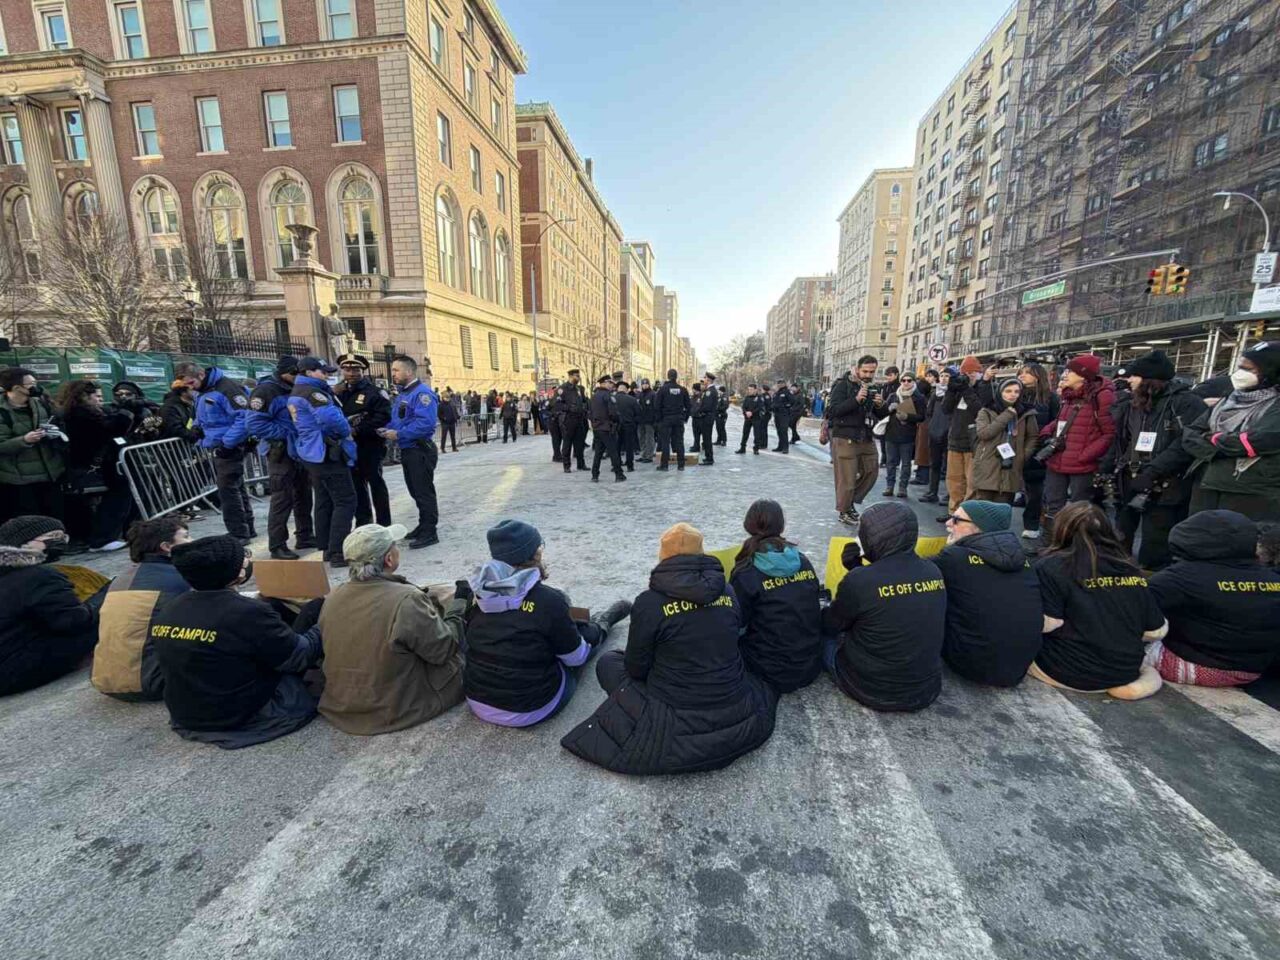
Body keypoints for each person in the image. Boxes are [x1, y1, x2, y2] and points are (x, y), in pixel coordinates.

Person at [561, 523, 778, 775]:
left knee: (608, 662)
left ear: (663, 557)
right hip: (732, 700)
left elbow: (636, 668)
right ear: (702, 554)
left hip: (672, 711)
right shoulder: (728, 591)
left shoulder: (649, 602)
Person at [153, 534, 322, 748]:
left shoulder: (171, 607)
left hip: (188, 712)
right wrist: (325, 618)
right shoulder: (247, 612)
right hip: (239, 714)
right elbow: (299, 657)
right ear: (237, 572)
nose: (247, 561)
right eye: (243, 557)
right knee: (304, 673)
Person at [464, 520, 630, 727]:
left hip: (478, 701)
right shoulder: (549, 599)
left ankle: (583, 623)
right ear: (535, 554)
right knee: (583, 643)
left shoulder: (476, 593)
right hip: (531, 708)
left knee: (547, 626)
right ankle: (602, 623)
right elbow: (575, 659)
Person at [317, 523, 467, 734]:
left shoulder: (334, 596)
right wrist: (459, 607)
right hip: (396, 709)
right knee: (464, 647)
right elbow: (442, 650)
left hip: (342, 705)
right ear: (389, 559)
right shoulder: (406, 599)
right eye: (395, 546)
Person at [1030, 503, 1167, 700]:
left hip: (1066, 671)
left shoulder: (1049, 566)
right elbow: (1155, 630)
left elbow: (1047, 623)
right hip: (1124, 671)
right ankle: (1136, 684)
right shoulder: (1129, 567)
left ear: (1060, 530)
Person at [822, 501, 946, 711]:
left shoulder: (861, 581)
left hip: (871, 689)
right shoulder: (932, 571)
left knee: (819, 639)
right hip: (925, 689)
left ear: (872, 538)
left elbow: (832, 624)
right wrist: (857, 569)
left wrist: (854, 572)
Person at [1146, 511, 1280, 687]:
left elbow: (1130, 609)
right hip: (1254, 669)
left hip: (1198, 666)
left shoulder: (1179, 577)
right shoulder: (1272, 578)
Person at [1100, 350, 1205, 569]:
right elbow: (1121, 440)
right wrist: (1105, 469)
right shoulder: (1133, 404)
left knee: (1155, 540)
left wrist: (1153, 471)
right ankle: (1119, 575)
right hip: (1129, 476)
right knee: (1120, 533)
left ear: (1148, 377)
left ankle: (1152, 584)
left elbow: (1185, 444)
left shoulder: (1186, 403)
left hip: (1166, 483)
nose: (1128, 380)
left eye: (1133, 375)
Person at [935, 501, 1041, 686]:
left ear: (979, 527)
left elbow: (913, 573)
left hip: (969, 665)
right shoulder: (1023, 561)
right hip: (1017, 669)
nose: (948, 523)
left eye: (957, 520)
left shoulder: (953, 558)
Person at [0, 515, 103, 696]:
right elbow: (72, 621)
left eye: (63, 537)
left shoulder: (12, 574)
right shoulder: (37, 575)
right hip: (15, 670)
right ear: (23, 544)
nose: (60, 543)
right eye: (52, 537)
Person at [91, 517, 192, 701]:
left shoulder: (121, 578)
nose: (191, 541)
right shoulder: (181, 577)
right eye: (186, 537)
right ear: (167, 547)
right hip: (154, 681)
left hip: (105, 680)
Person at [728, 500, 822, 693]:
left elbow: (736, 622)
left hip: (768, 670)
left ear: (749, 525)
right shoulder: (803, 561)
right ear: (781, 525)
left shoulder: (746, 571)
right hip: (810, 665)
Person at [1183, 342, 1280, 521]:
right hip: (1206, 483)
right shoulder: (1228, 400)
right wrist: (1220, 446)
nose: (1240, 373)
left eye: (1249, 369)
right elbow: (1191, 435)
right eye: (1240, 367)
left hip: (1249, 491)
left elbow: (1256, 441)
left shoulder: (1274, 405)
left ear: (1270, 371)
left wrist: (1212, 440)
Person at [174, 361, 255, 543]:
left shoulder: (226, 388)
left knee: (228, 491)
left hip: (229, 446)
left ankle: (239, 533)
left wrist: (228, 443)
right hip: (217, 444)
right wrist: (196, 428)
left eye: (191, 383)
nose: (189, 388)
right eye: (186, 385)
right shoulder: (204, 391)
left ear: (200, 375)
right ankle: (246, 528)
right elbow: (202, 416)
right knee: (236, 487)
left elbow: (243, 418)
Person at [1038, 355, 1116, 540]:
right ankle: (1049, 541)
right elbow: (1061, 422)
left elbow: (1109, 433)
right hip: (1057, 458)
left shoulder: (1103, 396)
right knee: (1052, 503)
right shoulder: (1068, 396)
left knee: (1079, 509)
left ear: (1083, 375)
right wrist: (1046, 432)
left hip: (1082, 464)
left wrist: (1085, 455)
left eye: (1070, 371)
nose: (1065, 374)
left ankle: (1075, 544)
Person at [288, 357, 356, 568]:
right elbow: (331, 419)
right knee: (345, 501)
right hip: (326, 451)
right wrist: (346, 430)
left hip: (312, 453)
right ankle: (338, 552)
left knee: (324, 500)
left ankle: (326, 547)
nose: (326, 375)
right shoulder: (313, 393)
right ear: (309, 372)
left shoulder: (297, 391)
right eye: (322, 372)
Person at [57, 380, 135, 552]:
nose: (100, 400)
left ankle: (106, 536)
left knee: (114, 498)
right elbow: (112, 429)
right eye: (96, 396)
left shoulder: (79, 413)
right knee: (116, 498)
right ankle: (103, 538)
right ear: (85, 396)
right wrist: (126, 412)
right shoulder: (82, 415)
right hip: (97, 465)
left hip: (98, 463)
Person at [248, 357, 313, 560]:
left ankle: (304, 535)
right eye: (296, 374)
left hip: (300, 451)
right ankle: (277, 545)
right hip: (280, 451)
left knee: (303, 495)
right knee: (281, 499)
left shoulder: (296, 387)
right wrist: (288, 433)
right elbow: (254, 424)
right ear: (287, 372)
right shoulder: (266, 391)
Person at [379, 355, 439, 550]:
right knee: (415, 490)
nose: (393, 373)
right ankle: (423, 525)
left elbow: (425, 424)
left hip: (419, 449)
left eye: (396, 370)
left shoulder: (422, 394)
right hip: (408, 448)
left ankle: (430, 531)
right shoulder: (404, 394)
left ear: (409, 371)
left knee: (423, 491)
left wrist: (399, 434)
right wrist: (386, 428)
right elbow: (399, 420)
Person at [0, 367, 66, 522]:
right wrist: (25, 440)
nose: (36, 386)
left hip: (49, 474)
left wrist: (53, 432)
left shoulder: (41, 403)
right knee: (30, 523)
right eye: (31, 383)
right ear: (17, 388)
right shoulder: (3, 411)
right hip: (19, 479)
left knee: (54, 519)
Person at [334, 355, 392, 529]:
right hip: (348, 447)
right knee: (357, 486)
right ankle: (363, 522)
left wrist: (358, 429)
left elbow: (383, 417)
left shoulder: (374, 392)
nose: (351, 373)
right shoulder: (338, 392)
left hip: (369, 445)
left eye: (356, 370)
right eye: (347, 369)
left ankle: (383, 523)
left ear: (363, 371)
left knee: (376, 484)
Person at [825, 355, 885, 525]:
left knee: (872, 471)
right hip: (845, 437)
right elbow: (833, 411)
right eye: (865, 371)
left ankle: (849, 501)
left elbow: (881, 415)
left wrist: (881, 405)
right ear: (857, 369)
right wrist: (856, 400)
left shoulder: (874, 387)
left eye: (872, 371)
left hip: (865, 435)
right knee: (847, 478)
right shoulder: (843, 384)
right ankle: (844, 510)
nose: (868, 374)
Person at [970, 377, 1039, 504]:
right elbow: (984, 433)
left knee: (1003, 509)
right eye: (1008, 391)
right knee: (982, 507)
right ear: (1000, 392)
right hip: (988, 463)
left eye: (1016, 391)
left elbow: (1033, 436)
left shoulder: (1026, 412)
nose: (1013, 395)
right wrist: (1007, 415)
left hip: (1012, 465)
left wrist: (1023, 455)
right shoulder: (987, 411)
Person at [1016, 362, 1060, 540]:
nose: (1022, 375)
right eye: (1021, 372)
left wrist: (1046, 445)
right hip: (1015, 447)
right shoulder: (1015, 394)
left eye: (1027, 373)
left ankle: (1032, 524)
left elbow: (1056, 424)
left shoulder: (1050, 398)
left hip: (1038, 451)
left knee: (1035, 491)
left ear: (1038, 376)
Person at [941, 357, 984, 517]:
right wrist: (952, 389)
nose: (969, 376)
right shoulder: (957, 388)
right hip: (955, 440)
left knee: (971, 481)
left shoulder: (982, 388)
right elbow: (945, 409)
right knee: (954, 480)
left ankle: (966, 514)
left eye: (973, 373)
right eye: (966, 373)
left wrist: (967, 389)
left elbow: (978, 410)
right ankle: (953, 512)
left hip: (973, 442)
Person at [882, 373, 923, 498]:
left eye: (909, 380)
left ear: (913, 381)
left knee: (905, 464)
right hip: (891, 434)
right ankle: (889, 486)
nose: (905, 383)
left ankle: (902, 488)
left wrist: (908, 417)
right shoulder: (893, 396)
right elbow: (882, 412)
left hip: (908, 435)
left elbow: (922, 417)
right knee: (891, 462)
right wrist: (888, 409)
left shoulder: (918, 397)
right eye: (903, 380)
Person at [919, 368, 951, 504]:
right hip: (935, 431)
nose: (944, 378)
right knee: (935, 464)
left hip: (949, 432)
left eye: (947, 376)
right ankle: (932, 491)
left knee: (950, 466)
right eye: (942, 375)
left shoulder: (954, 393)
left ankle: (950, 495)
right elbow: (929, 411)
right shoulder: (934, 393)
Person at [589, 375, 626, 483]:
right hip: (607, 427)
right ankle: (619, 474)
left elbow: (589, 412)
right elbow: (613, 413)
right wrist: (618, 420)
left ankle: (594, 475)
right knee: (613, 451)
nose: (612, 386)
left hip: (597, 428)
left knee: (598, 453)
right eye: (610, 383)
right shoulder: (608, 396)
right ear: (604, 383)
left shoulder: (594, 396)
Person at [654, 369, 691, 471]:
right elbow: (689, 406)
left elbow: (657, 406)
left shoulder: (663, 389)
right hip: (678, 419)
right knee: (679, 442)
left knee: (665, 442)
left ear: (668, 376)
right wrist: (685, 418)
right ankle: (681, 465)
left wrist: (659, 420)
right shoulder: (683, 390)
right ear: (676, 377)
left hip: (666, 419)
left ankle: (664, 465)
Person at [557, 369, 588, 472]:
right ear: (570, 376)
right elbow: (556, 404)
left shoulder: (578, 389)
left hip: (579, 419)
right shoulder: (562, 389)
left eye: (579, 376)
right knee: (567, 443)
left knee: (580, 443)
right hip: (568, 419)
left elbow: (584, 401)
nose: (578, 378)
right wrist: (569, 407)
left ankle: (581, 464)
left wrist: (584, 407)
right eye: (576, 376)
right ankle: (566, 466)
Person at [692, 373, 718, 466]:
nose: (704, 380)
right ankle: (708, 457)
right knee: (706, 438)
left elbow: (706, 406)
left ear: (709, 380)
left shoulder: (710, 391)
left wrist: (698, 411)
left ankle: (709, 458)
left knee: (707, 438)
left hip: (707, 417)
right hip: (706, 417)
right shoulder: (708, 390)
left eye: (705, 378)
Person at [614, 380, 640, 472]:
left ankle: (616, 465)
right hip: (629, 425)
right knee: (629, 446)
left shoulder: (612, 398)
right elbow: (638, 413)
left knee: (616, 446)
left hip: (615, 426)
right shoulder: (632, 400)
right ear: (626, 389)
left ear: (617, 389)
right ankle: (630, 465)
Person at [735, 383, 768, 455]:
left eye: (751, 389)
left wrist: (752, 412)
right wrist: (745, 412)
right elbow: (743, 406)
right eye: (749, 389)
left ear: (755, 390)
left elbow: (760, 407)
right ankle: (742, 448)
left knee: (757, 434)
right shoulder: (747, 397)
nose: (750, 391)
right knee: (745, 433)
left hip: (756, 418)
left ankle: (756, 448)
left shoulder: (759, 397)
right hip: (747, 418)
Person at [636, 379, 657, 463]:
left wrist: (654, 420)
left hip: (649, 421)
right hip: (641, 420)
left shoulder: (653, 394)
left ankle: (649, 456)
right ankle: (643, 454)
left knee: (649, 438)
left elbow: (655, 408)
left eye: (646, 384)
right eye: (643, 384)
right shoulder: (640, 394)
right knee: (641, 438)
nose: (644, 386)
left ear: (649, 385)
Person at [771, 378, 793, 453]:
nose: (779, 384)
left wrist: (785, 407)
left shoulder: (787, 392)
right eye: (778, 383)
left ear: (784, 384)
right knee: (779, 431)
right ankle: (780, 446)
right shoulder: (777, 393)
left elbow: (792, 402)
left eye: (781, 383)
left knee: (784, 431)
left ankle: (785, 448)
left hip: (784, 414)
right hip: (777, 414)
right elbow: (774, 402)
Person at [438, 387, 460, 452]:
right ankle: (442, 448)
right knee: (444, 436)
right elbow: (439, 414)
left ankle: (454, 447)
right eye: (446, 398)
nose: (448, 399)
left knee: (453, 436)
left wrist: (457, 416)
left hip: (452, 422)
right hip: (445, 423)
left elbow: (454, 411)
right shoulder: (441, 405)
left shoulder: (451, 403)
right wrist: (443, 418)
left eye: (448, 397)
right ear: (443, 398)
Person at [715, 382, 730, 446]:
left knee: (722, 428)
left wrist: (718, 409)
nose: (718, 391)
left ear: (721, 391)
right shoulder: (720, 396)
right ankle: (719, 440)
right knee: (718, 428)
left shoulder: (724, 397)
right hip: (718, 415)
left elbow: (725, 406)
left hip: (722, 415)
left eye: (719, 390)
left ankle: (724, 441)